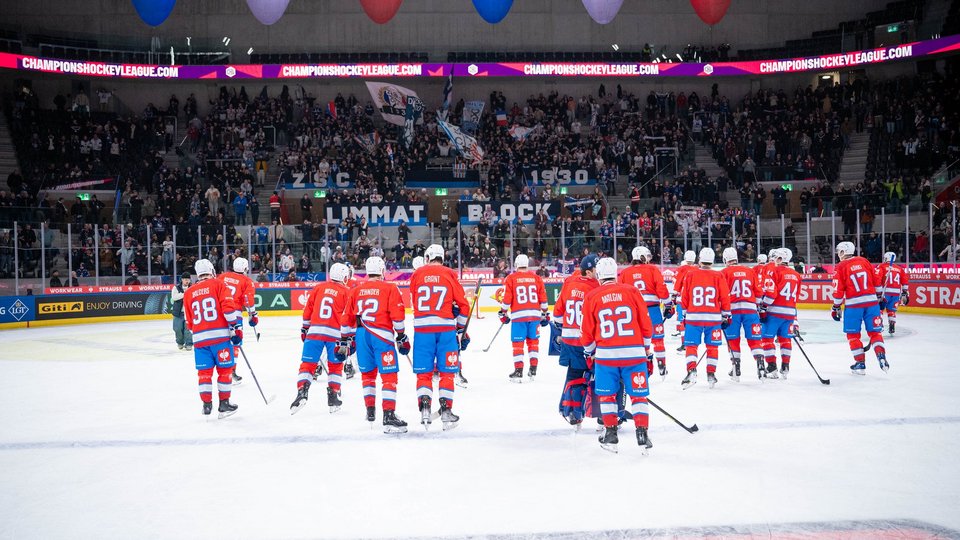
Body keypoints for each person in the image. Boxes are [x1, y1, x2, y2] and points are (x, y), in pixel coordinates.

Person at [580, 257, 654, 454]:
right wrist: (646, 350)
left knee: (607, 396)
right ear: (616, 273)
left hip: (606, 357)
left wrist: (590, 352)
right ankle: (642, 434)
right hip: (635, 355)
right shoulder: (632, 291)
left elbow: (586, 331)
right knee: (639, 396)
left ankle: (611, 434)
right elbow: (646, 324)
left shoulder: (592, 296)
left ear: (599, 275)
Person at [340, 256, 409, 433]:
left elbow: (346, 318)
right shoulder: (390, 287)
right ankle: (388, 415)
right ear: (382, 271)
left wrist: (345, 339)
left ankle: (370, 411)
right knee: (389, 376)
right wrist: (401, 336)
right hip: (381, 335)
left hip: (361, 335)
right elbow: (397, 315)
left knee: (368, 375)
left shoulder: (356, 290)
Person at [409, 244, 470, 430]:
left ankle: (425, 409)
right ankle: (446, 411)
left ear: (427, 257)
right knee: (447, 372)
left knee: (424, 373)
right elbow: (463, 306)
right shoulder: (450, 274)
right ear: (443, 257)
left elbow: (414, 298)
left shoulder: (417, 274)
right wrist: (461, 330)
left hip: (422, 330)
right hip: (445, 330)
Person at [183, 259, 242, 418]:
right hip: (220, 338)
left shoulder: (188, 292)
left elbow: (189, 323)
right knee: (224, 371)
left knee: (204, 373)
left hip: (200, 340)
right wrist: (236, 329)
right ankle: (224, 404)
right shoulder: (219, 284)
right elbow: (228, 310)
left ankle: (206, 405)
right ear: (212, 270)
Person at [290, 263, 351, 414]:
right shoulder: (347, 292)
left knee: (308, 364)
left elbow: (308, 309)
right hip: (335, 334)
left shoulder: (318, 288)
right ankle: (333, 396)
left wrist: (305, 328)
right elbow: (348, 316)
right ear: (344, 277)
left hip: (314, 332)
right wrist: (349, 337)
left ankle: (302, 393)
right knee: (335, 366)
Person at [551, 254, 600, 426]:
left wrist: (562, 329)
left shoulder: (569, 283)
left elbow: (557, 314)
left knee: (573, 374)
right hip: (588, 340)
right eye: (596, 270)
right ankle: (601, 414)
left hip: (568, 339)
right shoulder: (596, 286)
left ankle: (570, 410)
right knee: (597, 375)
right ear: (588, 272)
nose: (599, 273)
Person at [831, 241, 888, 374]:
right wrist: (880, 297)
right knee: (875, 333)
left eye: (839, 251)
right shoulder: (864, 261)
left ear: (843, 252)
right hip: (871, 303)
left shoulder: (840, 266)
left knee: (853, 335)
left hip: (853, 305)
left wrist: (836, 307)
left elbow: (838, 290)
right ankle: (881, 357)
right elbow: (876, 281)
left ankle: (860, 363)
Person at [680, 248, 731, 389]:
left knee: (691, 345)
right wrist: (726, 315)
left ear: (699, 260)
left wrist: (684, 313)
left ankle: (691, 371)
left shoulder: (690, 274)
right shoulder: (718, 276)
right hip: (713, 318)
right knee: (712, 346)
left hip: (693, 317)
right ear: (713, 260)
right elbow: (725, 297)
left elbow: (685, 296)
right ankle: (711, 373)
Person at [619, 246, 673, 378]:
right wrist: (668, 305)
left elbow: (620, 292)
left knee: (638, 341)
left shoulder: (625, 273)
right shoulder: (653, 269)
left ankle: (640, 367)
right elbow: (661, 288)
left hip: (634, 312)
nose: (649, 259)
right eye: (647, 256)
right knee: (658, 340)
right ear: (642, 257)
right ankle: (661, 365)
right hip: (652, 310)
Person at [499, 254, 548, 382]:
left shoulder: (511, 278)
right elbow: (543, 298)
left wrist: (503, 312)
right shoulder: (536, 278)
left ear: (516, 265)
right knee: (533, 343)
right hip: (534, 316)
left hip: (519, 316)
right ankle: (533, 369)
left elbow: (507, 299)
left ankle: (519, 370)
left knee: (518, 344)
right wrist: (545, 313)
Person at [719, 247, 764, 381]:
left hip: (732, 311)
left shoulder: (723, 272)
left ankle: (735, 368)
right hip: (750, 310)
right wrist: (755, 305)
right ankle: (761, 364)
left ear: (725, 260)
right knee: (754, 339)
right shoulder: (749, 271)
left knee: (733, 339)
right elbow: (759, 293)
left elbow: (721, 294)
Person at [759, 248, 801, 379]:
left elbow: (771, 293)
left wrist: (763, 307)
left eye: (776, 257)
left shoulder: (774, 271)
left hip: (774, 312)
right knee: (785, 339)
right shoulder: (797, 275)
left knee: (767, 339)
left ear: (780, 259)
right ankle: (785, 366)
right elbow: (796, 297)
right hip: (789, 313)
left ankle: (772, 367)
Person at [217, 257, 258, 384]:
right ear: (245, 268)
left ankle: (223, 371)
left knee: (222, 342)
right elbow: (248, 299)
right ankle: (231, 371)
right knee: (236, 341)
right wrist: (253, 315)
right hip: (234, 313)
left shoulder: (222, 277)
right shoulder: (247, 281)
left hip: (220, 313)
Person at [874, 251, 910, 335]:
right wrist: (904, 292)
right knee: (891, 310)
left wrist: (878, 292)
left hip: (885, 292)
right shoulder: (899, 268)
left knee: (879, 309)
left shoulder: (881, 266)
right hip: (896, 293)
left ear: (886, 258)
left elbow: (877, 279)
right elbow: (905, 281)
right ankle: (892, 325)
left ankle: (879, 324)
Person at [671, 250, 697, 339]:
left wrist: (674, 295)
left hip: (682, 299)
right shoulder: (697, 269)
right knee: (691, 320)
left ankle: (684, 342)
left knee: (682, 319)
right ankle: (691, 340)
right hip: (694, 300)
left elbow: (676, 283)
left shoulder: (681, 269)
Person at [170, 271, 194, 351]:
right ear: (182, 280)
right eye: (185, 279)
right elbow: (174, 297)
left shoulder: (192, 288)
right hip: (178, 313)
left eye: (188, 279)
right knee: (177, 329)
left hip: (189, 313)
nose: (187, 281)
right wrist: (185, 294)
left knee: (188, 330)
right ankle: (180, 342)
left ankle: (189, 343)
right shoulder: (176, 288)